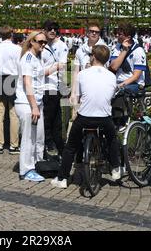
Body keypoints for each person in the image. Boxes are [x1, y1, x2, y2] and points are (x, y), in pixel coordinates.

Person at [51, 45, 123, 189]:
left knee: (70, 146)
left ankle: (62, 178)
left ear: (93, 57)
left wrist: (76, 105)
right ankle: (115, 167)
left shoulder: (83, 74)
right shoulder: (111, 76)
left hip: (85, 116)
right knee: (112, 139)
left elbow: (76, 97)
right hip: (104, 117)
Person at [16, 32, 47, 182]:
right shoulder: (28, 58)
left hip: (36, 103)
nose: (43, 45)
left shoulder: (37, 58)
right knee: (28, 138)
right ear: (31, 42)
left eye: (44, 42)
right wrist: (34, 106)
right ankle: (26, 169)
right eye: (40, 42)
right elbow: (27, 83)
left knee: (38, 137)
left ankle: (36, 164)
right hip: (27, 104)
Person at [0, 27, 21, 155]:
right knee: (14, 114)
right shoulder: (17, 49)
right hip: (13, 79)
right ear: (11, 35)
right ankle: (14, 145)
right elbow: (20, 67)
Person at [42, 20, 68, 157]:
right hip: (41, 86)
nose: (52, 31)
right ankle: (48, 144)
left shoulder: (61, 46)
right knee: (47, 118)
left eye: (55, 29)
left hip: (53, 86)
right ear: (44, 30)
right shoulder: (40, 44)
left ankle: (56, 146)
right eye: (50, 29)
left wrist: (62, 87)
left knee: (55, 119)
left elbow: (62, 66)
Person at [70, 23, 106, 106]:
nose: (94, 33)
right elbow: (75, 72)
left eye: (96, 32)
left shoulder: (104, 49)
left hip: (99, 88)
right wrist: (73, 93)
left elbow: (107, 70)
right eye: (92, 31)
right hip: (84, 88)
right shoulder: (80, 50)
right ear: (87, 33)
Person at [109, 22, 147, 93]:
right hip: (119, 82)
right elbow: (113, 67)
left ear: (128, 37)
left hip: (133, 85)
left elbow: (136, 76)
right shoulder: (117, 47)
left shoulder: (138, 51)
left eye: (120, 34)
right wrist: (124, 50)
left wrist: (120, 86)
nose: (117, 35)